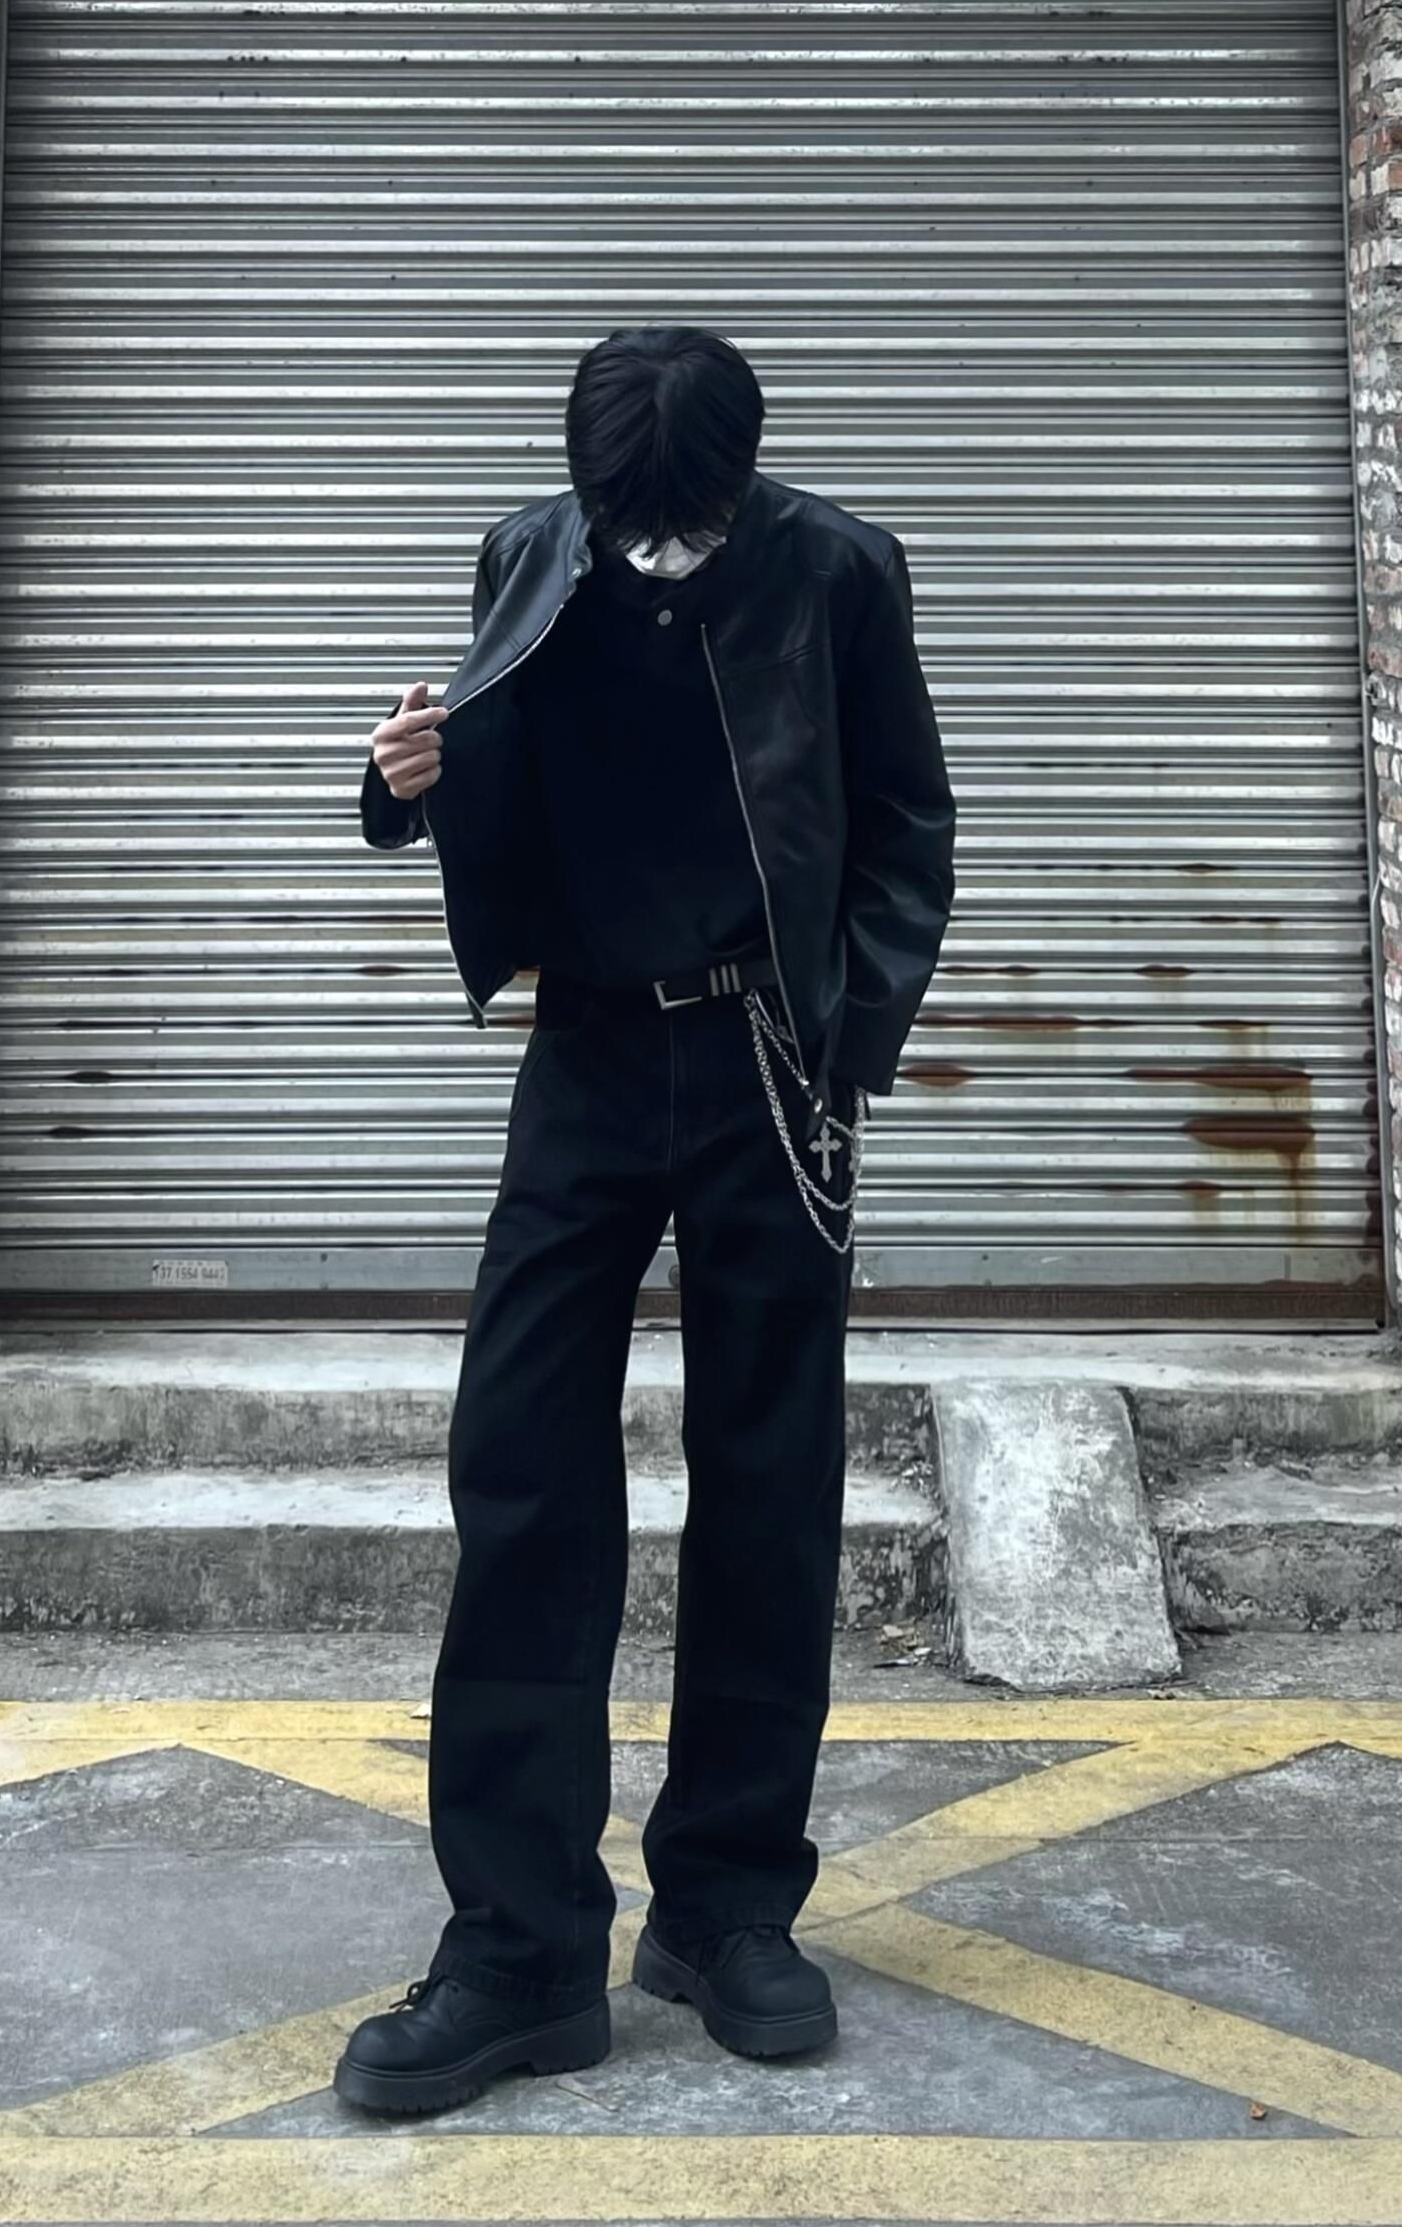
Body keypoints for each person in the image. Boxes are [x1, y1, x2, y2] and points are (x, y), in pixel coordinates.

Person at [335, 327, 954, 2116]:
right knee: (521, 1467)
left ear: (739, 484)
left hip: (768, 1060)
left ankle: (727, 1907)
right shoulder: (532, 548)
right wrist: (394, 783)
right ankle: (520, 1950)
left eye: (682, 522)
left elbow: (908, 823)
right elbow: (484, 761)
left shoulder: (838, 569)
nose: (653, 550)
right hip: (589, 1054)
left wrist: (847, 1045)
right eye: (629, 521)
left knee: (771, 1480)